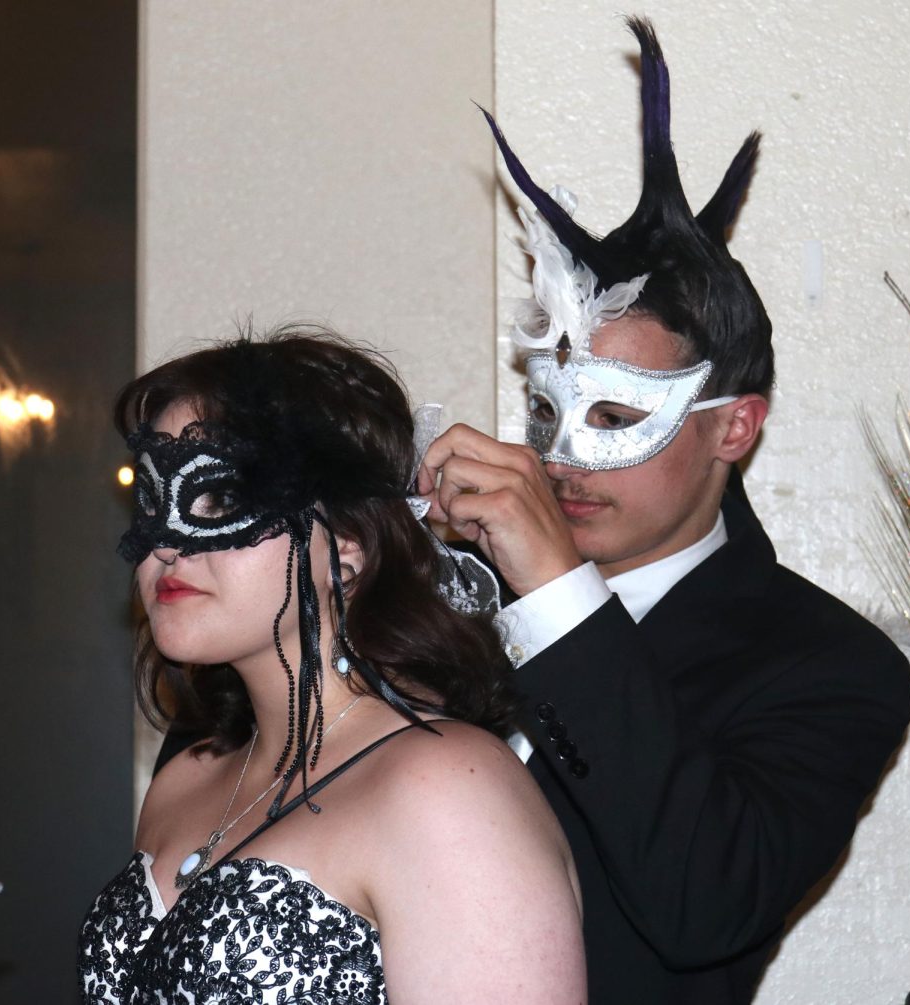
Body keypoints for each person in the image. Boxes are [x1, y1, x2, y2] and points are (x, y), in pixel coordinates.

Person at [416, 17, 910, 1005]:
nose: (566, 456)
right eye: (552, 412)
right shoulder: (451, 609)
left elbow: (702, 907)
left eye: (613, 414)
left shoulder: (831, 668)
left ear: (734, 430)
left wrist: (557, 592)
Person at [77, 327, 585, 1004]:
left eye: (219, 497)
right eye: (151, 500)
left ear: (346, 549)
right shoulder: (185, 780)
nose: (167, 545)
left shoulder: (446, 791)